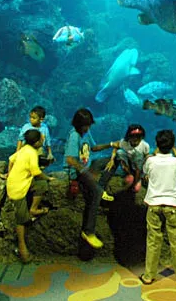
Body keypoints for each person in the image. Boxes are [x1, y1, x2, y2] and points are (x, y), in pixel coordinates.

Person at [64, 108, 117, 249]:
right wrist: (87, 173)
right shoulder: (74, 136)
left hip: (88, 166)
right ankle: (88, 231)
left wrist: (111, 144)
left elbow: (94, 148)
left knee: (115, 159)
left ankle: (101, 187)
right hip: (78, 172)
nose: (87, 128)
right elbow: (70, 160)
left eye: (88, 125)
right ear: (78, 124)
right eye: (85, 126)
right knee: (96, 193)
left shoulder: (86, 132)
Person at [140, 129, 176, 285]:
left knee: (153, 241)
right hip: (173, 205)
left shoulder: (150, 161)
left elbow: (145, 171)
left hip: (153, 204)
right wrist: (175, 151)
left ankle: (148, 276)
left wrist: (155, 152)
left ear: (156, 144)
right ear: (173, 145)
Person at [8, 129, 52, 263]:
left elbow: (11, 159)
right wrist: (48, 178)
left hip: (20, 183)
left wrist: (9, 175)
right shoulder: (32, 153)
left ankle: (33, 209)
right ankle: (23, 250)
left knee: (41, 185)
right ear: (37, 142)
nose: (43, 140)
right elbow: (36, 172)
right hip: (17, 190)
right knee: (21, 220)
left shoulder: (24, 149)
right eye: (41, 139)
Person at [108, 124, 151, 192]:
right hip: (129, 164)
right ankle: (129, 173)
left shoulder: (145, 145)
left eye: (138, 137)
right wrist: (112, 160)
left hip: (139, 167)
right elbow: (116, 147)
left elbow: (147, 156)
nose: (135, 139)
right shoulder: (124, 142)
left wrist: (148, 171)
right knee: (120, 152)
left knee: (136, 188)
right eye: (133, 136)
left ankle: (137, 179)